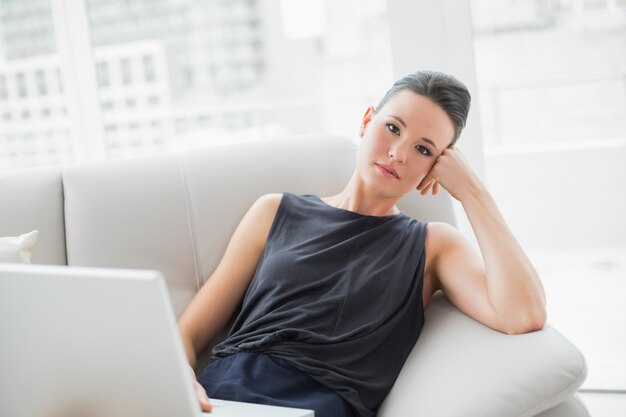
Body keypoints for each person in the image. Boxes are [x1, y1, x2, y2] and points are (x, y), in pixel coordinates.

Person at [177, 70, 547, 417]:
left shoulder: (432, 245)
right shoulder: (274, 211)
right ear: (366, 121)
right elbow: (189, 333)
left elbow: (522, 315)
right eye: (392, 128)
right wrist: (181, 383)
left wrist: (473, 193)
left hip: (321, 405)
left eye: (423, 150)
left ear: (437, 167)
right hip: (221, 397)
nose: (398, 153)